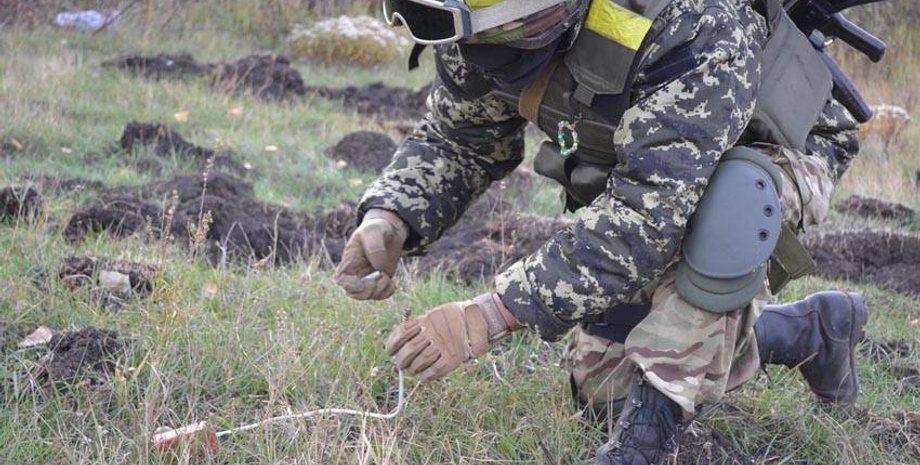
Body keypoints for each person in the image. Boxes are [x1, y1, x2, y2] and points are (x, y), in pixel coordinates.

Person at [333, 1, 870, 463]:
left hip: (781, 148)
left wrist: (486, 317)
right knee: (604, 390)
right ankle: (811, 332)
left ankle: (640, 450)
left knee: (727, 210)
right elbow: (460, 139)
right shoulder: (474, 25)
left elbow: (645, 219)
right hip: (657, 169)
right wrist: (390, 219)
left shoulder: (691, 18)